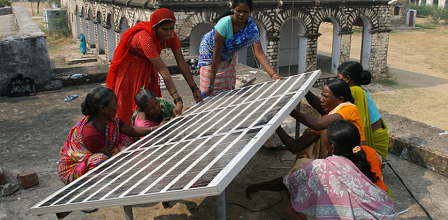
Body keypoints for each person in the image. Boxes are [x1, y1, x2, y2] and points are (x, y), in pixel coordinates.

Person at [246, 121, 395, 220]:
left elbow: (285, 183)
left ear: (332, 147)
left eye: (325, 138)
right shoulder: (365, 155)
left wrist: (257, 187)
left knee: (294, 207)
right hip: (383, 214)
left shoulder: (321, 167)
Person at [106, 8, 202, 125]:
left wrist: (195, 89)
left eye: (171, 28)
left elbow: (182, 63)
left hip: (148, 67)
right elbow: (164, 71)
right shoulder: (146, 38)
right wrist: (177, 100)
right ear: (155, 28)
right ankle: (129, 136)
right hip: (130, 68)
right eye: (164, 29)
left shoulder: (172, 36)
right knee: (128, 104)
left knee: (152, 105)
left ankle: (150, 130)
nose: (168, 32)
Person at [58, 87, 154, 185]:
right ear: (103, 108)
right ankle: (101, 187)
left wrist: (156, 128)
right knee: (100, 160)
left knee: (123, 138)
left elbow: (132, 131)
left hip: (105, 153)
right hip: (74, 169)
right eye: (114, 103)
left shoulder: (112, 120)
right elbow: (109, 158)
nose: (117, 106)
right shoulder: (90, 134)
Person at [197, 0, 283, 97]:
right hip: (210, 52)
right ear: (233, 9)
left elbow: (259, 53)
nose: (242, 14)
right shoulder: (224, 24)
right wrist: (211, 84)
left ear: (250, 11)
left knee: (227, 87)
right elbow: (216, 56)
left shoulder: (251, 28)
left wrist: (273, 74)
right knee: (208, 88)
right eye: (238, 11)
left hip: (229, 53)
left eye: (245, 12)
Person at [276, 79, 366, 161]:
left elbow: (317, 124)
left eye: (326, 97)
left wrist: (287, 109)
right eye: (321, 96)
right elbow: (295, 147)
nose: (321, 100)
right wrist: (276, 126)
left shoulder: (349, 109)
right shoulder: (328, 123)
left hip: (356, 160)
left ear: (341, 99)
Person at [337, 61, 389, 160]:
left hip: (375, 144)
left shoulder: (355, 91)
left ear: (347, 79)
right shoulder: (360, 90)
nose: (337, 80)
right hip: (381, 139)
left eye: (339, 77)